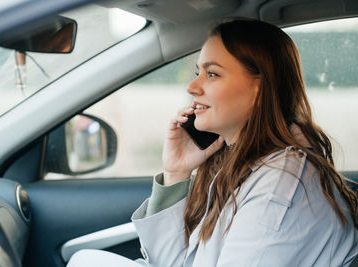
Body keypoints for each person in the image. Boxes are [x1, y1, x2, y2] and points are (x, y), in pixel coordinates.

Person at [67, 18, 358, 266]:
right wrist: (176, 173)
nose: (192, 87)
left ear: (259, 87)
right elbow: (174, 262)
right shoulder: (240, 165)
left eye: (212, 73)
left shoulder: (283, 184)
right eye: (198, 72)